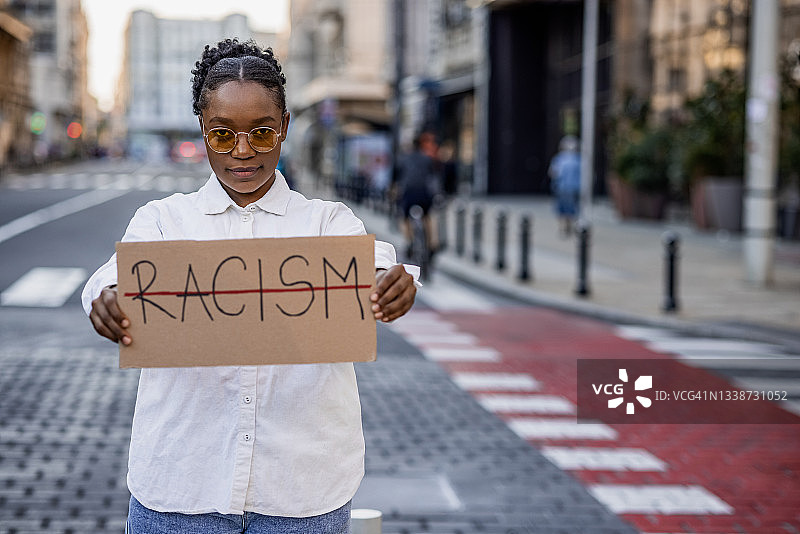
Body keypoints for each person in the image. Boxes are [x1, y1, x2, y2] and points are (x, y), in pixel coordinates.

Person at [82, 38, 417, 533]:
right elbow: (115, 275)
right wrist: (107, 298)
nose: (242, 151)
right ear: (203, 130)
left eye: (261, 133)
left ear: (284, 127)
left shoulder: (326, 221)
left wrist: (391, 282)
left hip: (301, 493)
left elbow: (372, 262)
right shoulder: (162, 220)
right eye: (223, 135)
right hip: (180, 488)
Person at [396, 131, 440, 259]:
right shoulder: (427, 159)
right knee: (429, 216)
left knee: (404, 218)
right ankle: (432, 244)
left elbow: (398, 178)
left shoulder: (403, 158)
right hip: (424, 193)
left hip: (409, 193)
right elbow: (433, 177)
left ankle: (409, 242)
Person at [548, 135, 581, 237]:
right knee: (573, 208)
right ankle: (572, 227)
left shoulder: (559, 159)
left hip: (562, 187)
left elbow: (553, 173)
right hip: (575, 188)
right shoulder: (578, 159)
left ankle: (564, 229)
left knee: (562, 209)